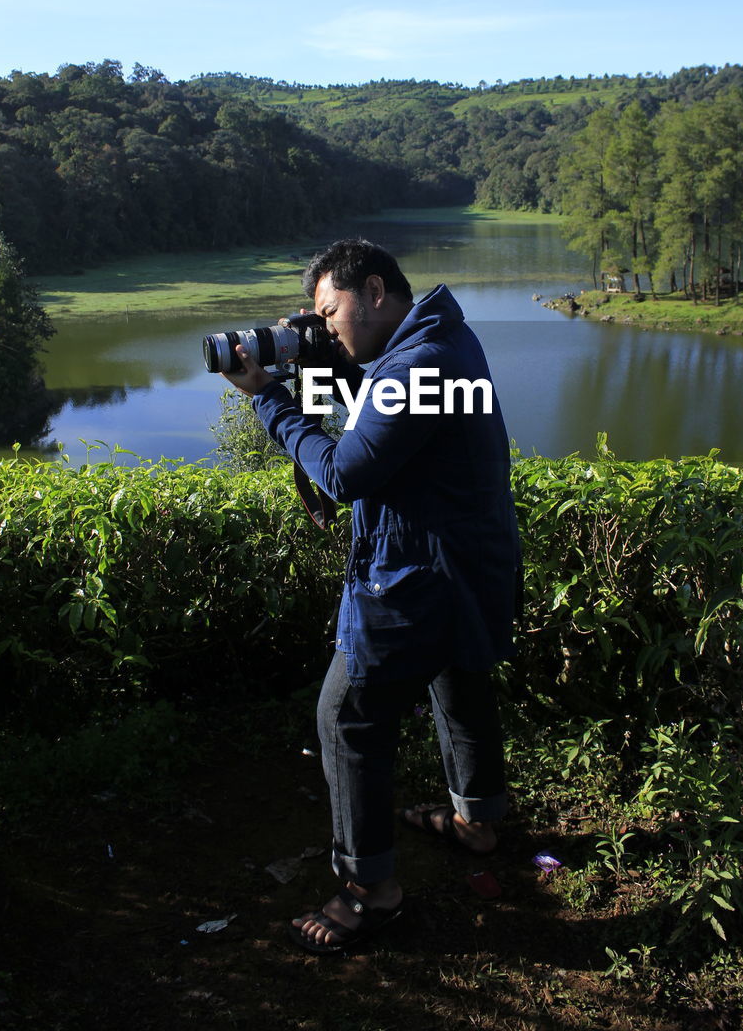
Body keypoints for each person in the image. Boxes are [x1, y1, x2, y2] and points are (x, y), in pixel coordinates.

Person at [222, 238, 520, 955]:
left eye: (331, 313)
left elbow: (347, 470)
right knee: (459, 683)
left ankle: (370, 891)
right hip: (468, 563)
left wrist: (269, 398)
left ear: (375, 291)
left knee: (346, 720)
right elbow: (378, 418)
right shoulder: (437, 337)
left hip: (414, 574)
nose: (325, 327)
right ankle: (477, 823)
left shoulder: (421, 361)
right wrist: (323, 364)